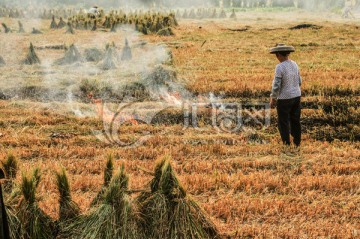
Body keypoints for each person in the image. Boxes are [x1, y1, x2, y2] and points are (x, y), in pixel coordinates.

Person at [269, 43, 302, 147]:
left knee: (283, 122)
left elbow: (276, 85)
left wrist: (273, 98)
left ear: (278, 54)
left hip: (284, 98)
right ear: (288, 53)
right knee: (295, 120)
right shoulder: (294, 64)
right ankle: (297, 142)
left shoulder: (279, 67)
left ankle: (286, 143)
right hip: (296, 96)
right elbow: (299, 81)